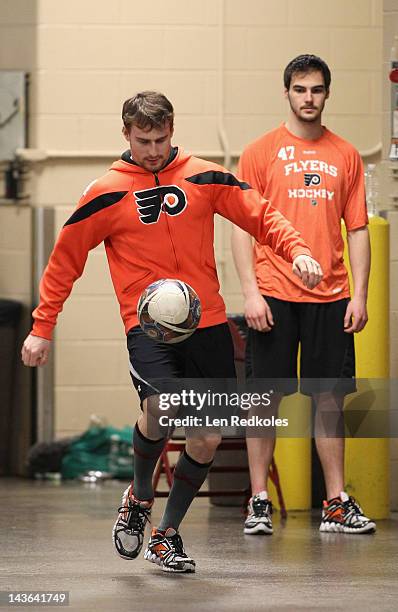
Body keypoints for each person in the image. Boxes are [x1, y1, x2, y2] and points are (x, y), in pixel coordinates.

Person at [21, 91, 322, 573]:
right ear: (126, 134)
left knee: (204, 439)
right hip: (149, 328)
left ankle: (167, 534)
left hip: (206, 324)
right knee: (159, 408)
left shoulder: (203, 175)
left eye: (162, 139)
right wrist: (42, 326)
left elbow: (260, 213)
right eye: (144, 141)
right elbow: (65, 261)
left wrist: (299, 250)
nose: (155, 150)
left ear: (172, 130)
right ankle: (139, 499)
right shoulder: (106, 191)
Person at [232, 55, 376, 536]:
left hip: (331, 296)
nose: (308, 98)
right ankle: (257, 500)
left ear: (327, 94)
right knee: (263, 400)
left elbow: (357, 229)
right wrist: (250, 294)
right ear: (287, 92)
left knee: (329, 400)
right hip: (273, 294)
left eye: (316, 89)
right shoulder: (259, 153)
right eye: (299, 89)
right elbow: (241, 229)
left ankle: (335, 502)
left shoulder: (347, 154)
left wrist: (360, 295)